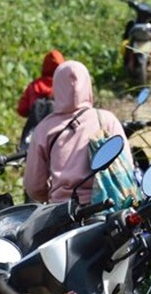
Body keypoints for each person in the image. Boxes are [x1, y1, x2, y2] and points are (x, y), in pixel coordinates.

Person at [23, 60, 132, 204]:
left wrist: (53, 196)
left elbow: (34, 186)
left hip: (63, 210)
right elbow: (127, 165)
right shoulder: (106, 119)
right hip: (107, 205)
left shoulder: (44, 129)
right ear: (87, 85)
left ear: (56, 87)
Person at [16, 50, 65, 118]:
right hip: (59, 123)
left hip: (36, 124)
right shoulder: (65, 86)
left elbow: (22, 109)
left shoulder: (34, 86)